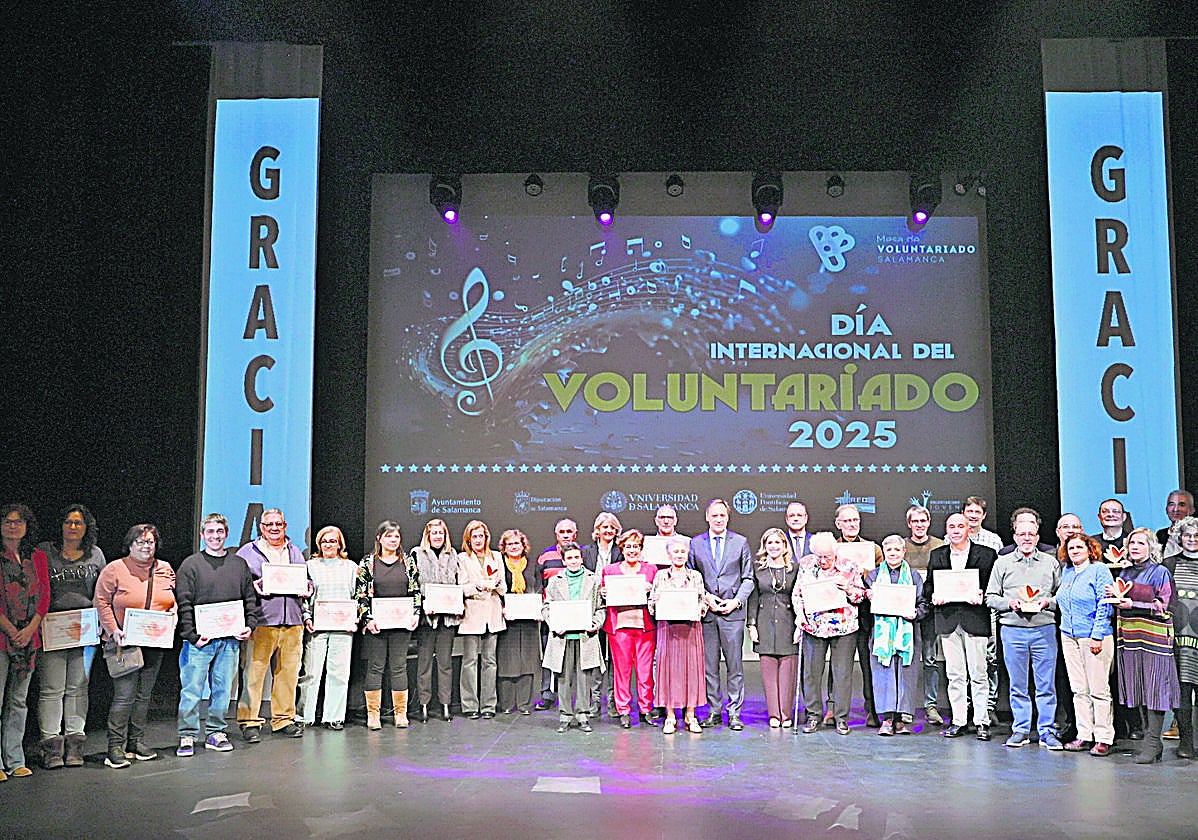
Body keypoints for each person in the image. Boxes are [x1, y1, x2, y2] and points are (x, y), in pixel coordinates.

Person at [175, 513, 260, 757]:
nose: (215, 536)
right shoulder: (191, 565)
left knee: (223, 689)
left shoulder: (238, 564)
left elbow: (249, 598)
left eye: (219, 532)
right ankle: (187, 734)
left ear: (226, 534)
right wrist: (191, 635)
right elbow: (184, 603)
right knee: (192, 689)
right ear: (202, 535)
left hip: (230, 639)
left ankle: (215, 732)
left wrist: (249, 625)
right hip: (200, 640)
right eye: (210, 532)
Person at [93, 523, 176, 769]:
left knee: (144, 696)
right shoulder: (114, 569)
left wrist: (173, 615)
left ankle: (136, 742)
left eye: (150, 542)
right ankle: (114, 747)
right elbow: (102, 602)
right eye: (140, 542)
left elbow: (171, 600)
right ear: (130, 544)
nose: (146, 546)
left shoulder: (165, 569)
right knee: (125, 696)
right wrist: (113, 630)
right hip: (124, 642)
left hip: (154, 641)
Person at [985, 507, 1062, 749]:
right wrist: (1011, 603)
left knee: (1045, 685)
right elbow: (990, 597)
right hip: (1013, 630)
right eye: (1022, 534)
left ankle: (1047, 731)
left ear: (1038, 537)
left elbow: (1062, 596)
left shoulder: (1051, 563)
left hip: (1044, 630)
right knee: (1018, 685)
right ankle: (1020, 729)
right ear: (1015, 536)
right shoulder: (1002, 563)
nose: (1027, 538)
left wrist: (1047, 602)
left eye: (1031, 534)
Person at [35, 504, 105, 769]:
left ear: (87, 527)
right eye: (68, 522)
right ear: (61, 525)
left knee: (78, 687)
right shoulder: (44, 551)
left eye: (78, 523)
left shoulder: (96, 555)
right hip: (51, 627)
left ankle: (75, 746)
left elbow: (102, 591)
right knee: (52, 689)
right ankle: (51, 747)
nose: (72, 527)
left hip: (84, 629)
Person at [236, 507, 311, 741]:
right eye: (269, 525)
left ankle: (283, 719)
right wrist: (253, 587)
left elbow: (305, 579)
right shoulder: (248, 552)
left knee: (288, 674)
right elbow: (239, 584)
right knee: (254, 674)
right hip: (262, 621)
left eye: (279, 524)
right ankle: (249, 722)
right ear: (262, 527)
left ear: (285, 526)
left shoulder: (295, 551)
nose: (274, 528)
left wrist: (309, 586)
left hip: (293, 621)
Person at [1109, 527, 1181, 763]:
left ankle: (1152, 741)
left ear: (1151, 547)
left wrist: (1134, 604)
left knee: (1156, 688)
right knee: (1137, 686)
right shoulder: (1125, 572)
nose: (1135, 547)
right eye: (1132, 544)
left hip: (1155, 638)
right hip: (1130, 637)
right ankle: (1150, 741)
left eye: (1141, 543)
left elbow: (1165, 606)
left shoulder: (1159, 572)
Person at [924, 512, 996, 740]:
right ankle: (958, 720)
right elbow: (928, 587)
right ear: (946, 530)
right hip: (947, 621)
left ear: (968, 529)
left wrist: (982, 595)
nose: (955, 530)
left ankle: (981, 721)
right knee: (954, 674)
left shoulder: (986, 555)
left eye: (960, 526)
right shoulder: (937, 555)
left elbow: (992, 588)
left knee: (978, 673)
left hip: (975, 619)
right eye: (951, 526)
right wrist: (934, 596)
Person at [689, 498, 753, 730]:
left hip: (732, 614)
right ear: (707, 517)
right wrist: (706, 597)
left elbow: (748, 578)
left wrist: (736, 602)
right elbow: (690, 576)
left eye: (722, 516)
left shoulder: (741, 542)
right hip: (707, 614)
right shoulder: (696, 543)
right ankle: (714, 711)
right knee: (709, 666)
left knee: (735, 666)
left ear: (727, 518)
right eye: (714, 515)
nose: (718, 519)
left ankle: (734, 712)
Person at [793, 532, 864, 735]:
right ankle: (813, 715)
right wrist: (800, 616)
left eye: (827, 557)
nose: (823, 561)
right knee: (811, 674)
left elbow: (860, 596)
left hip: (844, 627)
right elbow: (798, 594)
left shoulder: (849, 566)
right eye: (819, 557)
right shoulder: (807, 565)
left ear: (835, 553)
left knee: (842, 674)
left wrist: (849, 588)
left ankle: (841, 718)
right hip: (814, 626)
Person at [0, 504, 50, 779]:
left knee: (18, 702)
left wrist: (30, 629)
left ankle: (15, 759)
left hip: (29, 640)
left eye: (18, 522)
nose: (12, 526)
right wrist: (10, 630)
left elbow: (44, 596)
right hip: (2, 638)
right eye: (7, 521)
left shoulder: (37, 557)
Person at [356, 520, 421, 729]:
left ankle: (400, 713)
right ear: (379, 538)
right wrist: (367, 618)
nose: (393, 540)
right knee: (375, 667)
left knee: (399, 667)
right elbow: (361, 594)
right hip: (376, 625)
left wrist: (416, 613)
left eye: (396, 537)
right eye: (388, 536)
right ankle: (373, 715)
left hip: (402, 625)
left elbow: (416, 591)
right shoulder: (368, 563)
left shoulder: (408, 562)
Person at [1056, 533, 1115, 756]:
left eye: (1079, 547)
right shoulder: (1068, 572)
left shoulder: (1099, 570)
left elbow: (1105, 604)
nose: (1075, 552)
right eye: (1071, 548)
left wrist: (1097, 635)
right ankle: (1084, 734)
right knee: (1079, 689)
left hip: (1093, 636)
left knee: (1098, 689)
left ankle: (1103, 737)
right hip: (1069, 636)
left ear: (1090, 550)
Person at [865, 535, 930, 735]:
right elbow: (865, 606)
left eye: (897, 550)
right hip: (881, 634)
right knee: (883, 674)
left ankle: (901, 719)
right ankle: (886, 718)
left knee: (906, 674)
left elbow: (923, 603)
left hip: (907, 632)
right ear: (884, 553)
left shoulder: (914, 576)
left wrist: (916, 613)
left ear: (904, 552)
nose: (893, 554)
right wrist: (868, 598)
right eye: (889, 550)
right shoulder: (873, 576)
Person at [299, 524, 357, 730]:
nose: (328, 544)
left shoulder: (351, 567)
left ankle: (334, 716)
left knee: (339, 674)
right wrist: (307, 618)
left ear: (340, 543)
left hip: (343, 628)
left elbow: (357, 597)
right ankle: (305, 716)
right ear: (318, 544)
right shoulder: (310, 566)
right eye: (324, 541)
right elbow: (303, 597)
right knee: (311, 673)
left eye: (333, 541)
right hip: (317, 626)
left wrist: (354, 618)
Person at [542, 543, 604, 733]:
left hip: (585, 636)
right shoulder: (555, 581)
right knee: (563, 677)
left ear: (581, 558)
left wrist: (596, 623)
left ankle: (583, 715)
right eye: (569, 558)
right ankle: (565, 715)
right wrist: (554, 624)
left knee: (584, 677)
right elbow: (546, 607)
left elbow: (601, 608)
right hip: (563, 637)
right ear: (564, 561)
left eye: (577, 557)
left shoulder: (593, 579)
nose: (574, 561)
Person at [649, 536, 708, 734]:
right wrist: (656, 601)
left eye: (683, 552)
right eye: (676, 552)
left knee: (691, 670)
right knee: (669, 672)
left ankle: (690, 715)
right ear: (669, 554)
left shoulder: (696, 576)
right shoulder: (660, 576)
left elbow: (703, 602)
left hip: (690, 629)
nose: (680, 555)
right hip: (668, 630)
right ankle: (671, 716)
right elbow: (651, 607)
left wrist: (697, 609)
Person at [601, 529, 657, 727]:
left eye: (636, 546)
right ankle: (623, 710)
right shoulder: (610, 570)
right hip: (620, 627)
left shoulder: (651, 570)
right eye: (628, 546)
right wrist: (604, 592)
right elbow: (603, 596)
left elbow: (658, 596)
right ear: (622, 548)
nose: (632, 550)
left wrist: (653, 590)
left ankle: (645, 709)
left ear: (641, 549)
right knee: (622, 671)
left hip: (645, 627)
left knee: (645, 671)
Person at [833, 503, 882, 728]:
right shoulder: (831, 549)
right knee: (837, 665)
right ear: (838, 524)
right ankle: (832, 708)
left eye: (855, 520)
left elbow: (881, 579)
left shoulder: (874, 550)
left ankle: (872, 710)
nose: (852, 524)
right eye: (847, 521)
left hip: (865, 615)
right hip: (837, 612)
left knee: (867, 663)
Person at [746, 528, 798, 728]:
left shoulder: (794, 569)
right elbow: (753, 597)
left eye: (778, 542)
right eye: (770, 543)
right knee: (769, 673)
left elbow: (798, 597)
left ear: (785, 546)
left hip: (788, 622)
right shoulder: (758, 568)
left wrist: (799, 624)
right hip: (764, 621)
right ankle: (774, 715)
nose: (774, 546)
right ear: (764, 546)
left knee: (787, 672)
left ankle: (786, 714)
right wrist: (751, 624)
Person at [411, 518, 460, 722]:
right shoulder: (416, 554)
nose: (438, 536)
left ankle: (445, 704)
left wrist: (457, 605)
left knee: (445, 663)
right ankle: (423, 704)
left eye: (441, 533)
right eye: (434, 533)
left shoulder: (453, 554)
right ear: (427, 535)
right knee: (424, 663)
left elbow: (457, 584)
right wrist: (422, 604)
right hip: (426, 619)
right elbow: (413, 584)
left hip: (447, 619)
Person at [457, 520, 506, 719]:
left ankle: (488, 706)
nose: (478, 540)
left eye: (481, 536)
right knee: (469, 661)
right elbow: (461, 586)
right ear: (468, 539)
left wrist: (494, 585)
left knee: (490, 661)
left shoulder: (496, 556)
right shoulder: (462, 558)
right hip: (472, 614)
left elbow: (503, 587)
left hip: (492, 614)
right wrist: (477, 587)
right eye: (474, 536)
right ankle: (469, 705)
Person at [904, 504, 945, 726]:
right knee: (907, 660)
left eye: (923, 521)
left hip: (929, 612)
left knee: (930, 659)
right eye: (915, 521)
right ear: (909, 524)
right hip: (904, 613)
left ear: (928, 523)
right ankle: (906, 707)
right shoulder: (901, 547)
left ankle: (931, 706)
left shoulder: (940, 546)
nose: (919, 525)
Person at [533, 518, 578, 711]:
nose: (566, 534)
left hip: (577, 615)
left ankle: (575, 696)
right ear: (556, 534)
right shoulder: (545, 557)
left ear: (575, 534)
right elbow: (538, 586)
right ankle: (547, 694)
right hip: (553, 615)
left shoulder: (580, 554)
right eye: (562, 532)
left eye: (569, 531)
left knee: (576, 657)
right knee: (550, 654)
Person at [1163, 516, 1198, 758]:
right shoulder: (1169, 564)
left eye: (1197, 536)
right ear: (1179, 538)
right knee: (1182, 692)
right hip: (1180, 638)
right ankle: (1186, 743)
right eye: (1188, 536)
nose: (1192, 540)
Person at [581, 512, 622, 716]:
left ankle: (614, 702)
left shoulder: (621, 551)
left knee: (615, 659)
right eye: (604, 527)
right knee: (595, 658)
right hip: (593, 609)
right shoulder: (586, 551)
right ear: (597, 530)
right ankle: (594, 701)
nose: (608, 531)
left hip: (616, 609)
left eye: (612, 528)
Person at [497, 528, 542, 715]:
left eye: (517, 543)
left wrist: (538, 608)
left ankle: (524, 704)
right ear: (504, 548)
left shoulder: (533, 565)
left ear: (524, 546)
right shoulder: (499, 564)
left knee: (528, 662)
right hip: (508, 620)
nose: (514, 547)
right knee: (507, 661)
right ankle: (507, 704)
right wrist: (502, 608)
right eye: (510, 544)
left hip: (529, 621)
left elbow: (539, 588)